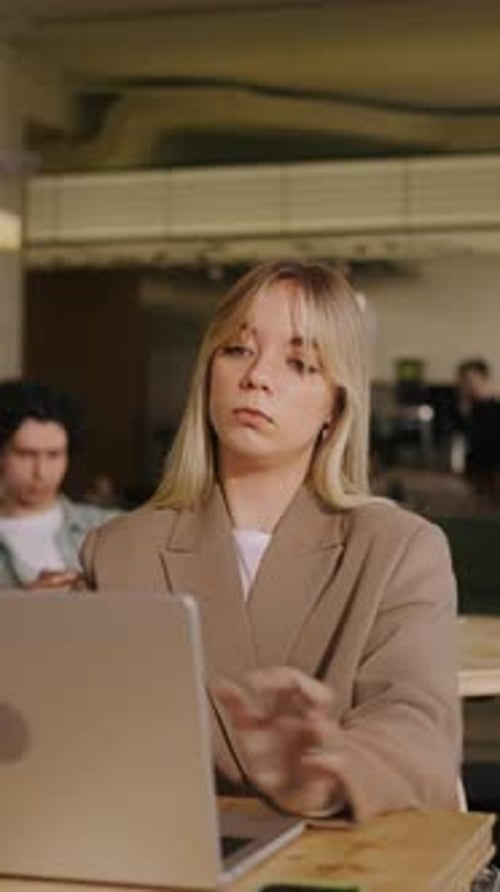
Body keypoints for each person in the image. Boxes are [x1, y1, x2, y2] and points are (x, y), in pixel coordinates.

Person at [81, 259, 461, 821]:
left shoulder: (399, 548)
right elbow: (83, 737)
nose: (257, 375)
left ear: (336, 404)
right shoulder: (118, 549)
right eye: (237, 349)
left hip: (340, 863)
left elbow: (418, 728)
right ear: (208, 372)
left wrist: (329, 770)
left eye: (300, 362)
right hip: (161, 858)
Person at [0, 379, 120, 589]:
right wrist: (22, 606)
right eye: (25, 454)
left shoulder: (111, 528)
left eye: (54, 455)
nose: (41, 471)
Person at [452, 360, 500, 498]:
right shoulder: (467, 408)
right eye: (462, 381)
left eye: (469, 380)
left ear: (483, 378)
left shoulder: (494, 408)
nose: (465, 385)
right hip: (476, 471)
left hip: (492, 471)